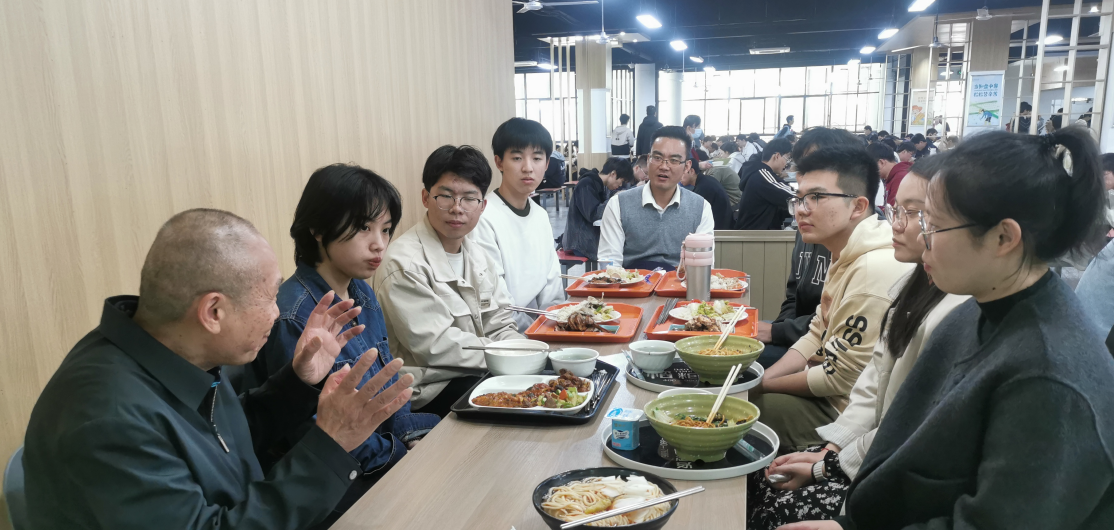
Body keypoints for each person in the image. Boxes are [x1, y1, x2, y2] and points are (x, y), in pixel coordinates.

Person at [800, 129, 1114, 530]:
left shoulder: (1049, 374)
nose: (922, 239)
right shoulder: (978, 310)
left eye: (933, 224)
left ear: (1003, 237)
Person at [24, 209, 415, 529]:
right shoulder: (107, 418)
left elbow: (222, 438)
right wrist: (331, 443)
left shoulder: (175, 349)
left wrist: (298, 382)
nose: (278, 313)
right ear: (213, 312)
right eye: (270, 298)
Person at [746, 156, 969, 530]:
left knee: (753, 433)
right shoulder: (904, 274)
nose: (802, 209)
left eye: (919, 215)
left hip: (881, 461)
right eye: (897, 210)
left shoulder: (947, 303)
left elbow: (904, 422)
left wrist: (829, 465)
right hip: (866, 445)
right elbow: (869, 376)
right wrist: (831, 454)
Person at [243, 164, 439, 525]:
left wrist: (410, 437)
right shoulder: (294, 316)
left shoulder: (360, 289)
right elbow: (314, 434)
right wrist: (402, 454)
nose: (379, 243)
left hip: (381, 444)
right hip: (337, 475)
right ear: (318, 229)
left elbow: (387, 384)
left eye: (386, 229)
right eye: (364, 227)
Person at [750, 146, 913, 452]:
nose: (801, 209)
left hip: (849, 414)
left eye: (816, 197)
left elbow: (839, 380)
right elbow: (816, 332)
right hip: (834, 392)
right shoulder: (846, 251)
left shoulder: (872, 268)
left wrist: (760, 385)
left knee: (744, 410)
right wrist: (763, 378)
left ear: (858, 206)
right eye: (799, 198)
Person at [374, 145, 523, 417]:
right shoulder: (403, 263)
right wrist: (508, 356)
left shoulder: (478, 255)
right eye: (445, 196)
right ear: (426, 197)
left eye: (469, 198)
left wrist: (521, 351)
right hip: (427, 391)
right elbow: (438, 347)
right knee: (518, 404)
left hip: (477, 371)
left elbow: (500, 321)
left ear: (483, 206)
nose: (457, 208)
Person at [754, 128, 863, 369]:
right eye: (802, 168)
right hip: (798, 338)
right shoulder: (807, 225)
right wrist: (777, 332)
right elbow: (793, 296)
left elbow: (836, 322)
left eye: (817, 166)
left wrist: (776, 333)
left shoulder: (862, 243)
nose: (805, 176)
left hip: (828, 352)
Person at [471, 118, 565, 332]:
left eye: (537, 158)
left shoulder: (541, 215)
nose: (528, 168)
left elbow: (553, 287)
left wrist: (554, 326)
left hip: (544, 329)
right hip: (505, 334)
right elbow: (498, 302)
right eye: (517, 158)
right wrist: (538, 333)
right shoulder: (484, 218)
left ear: (547, 164)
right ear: (499, 162)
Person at [598, 126, 715, 270]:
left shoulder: (701, 207)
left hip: (680, 282)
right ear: (648, 160)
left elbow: (703, 265)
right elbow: (609, 263)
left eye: (674, 160)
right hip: (631, 282)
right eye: (658, 158)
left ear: (687, 167)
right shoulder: (618, 205)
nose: (664, 166)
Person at [563, 158, 636, 261]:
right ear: (613, 174)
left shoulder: (603, 185)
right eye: (622, 181)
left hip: (590, 236)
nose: (620, 185)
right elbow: (594, 215)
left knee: (626, 244)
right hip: (580, 242)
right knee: (622, 250)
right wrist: (615, 198)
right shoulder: (586, 184)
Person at [734, 138, 794, 230]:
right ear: (777, 156)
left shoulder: (756, 171)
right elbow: (792, 197)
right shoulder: (762, 175)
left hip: (755, 231)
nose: (786, 164)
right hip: (757, 234)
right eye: (787, 158)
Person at [683, 153, 735, 230]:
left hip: (719, 231)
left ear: (692, 171)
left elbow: (694, 217)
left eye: (682, 173)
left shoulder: (703, 188)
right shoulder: (706, 180)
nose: (679, 177)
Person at [868, 143, 912, 207]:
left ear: (881, 163)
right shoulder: (893, 176)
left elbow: (894, 210)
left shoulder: (900, 178)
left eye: (869, 167)